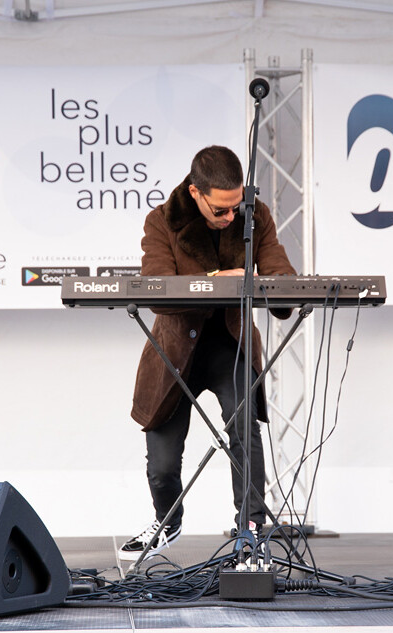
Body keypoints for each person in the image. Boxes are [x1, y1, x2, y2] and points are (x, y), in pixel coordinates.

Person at [120, 145, 296, 561]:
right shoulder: (162, 221)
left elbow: (281, 276)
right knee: (162, 465)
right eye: (221, 210)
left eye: (236, 207)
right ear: (196, 192)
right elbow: (158, 292)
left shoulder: (255, 215)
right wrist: (220, 278)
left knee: (244, 433)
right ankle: (167, 522)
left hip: (230, 347)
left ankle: (250, 530)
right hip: (176, 352)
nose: (231, 217)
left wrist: (281, 285)